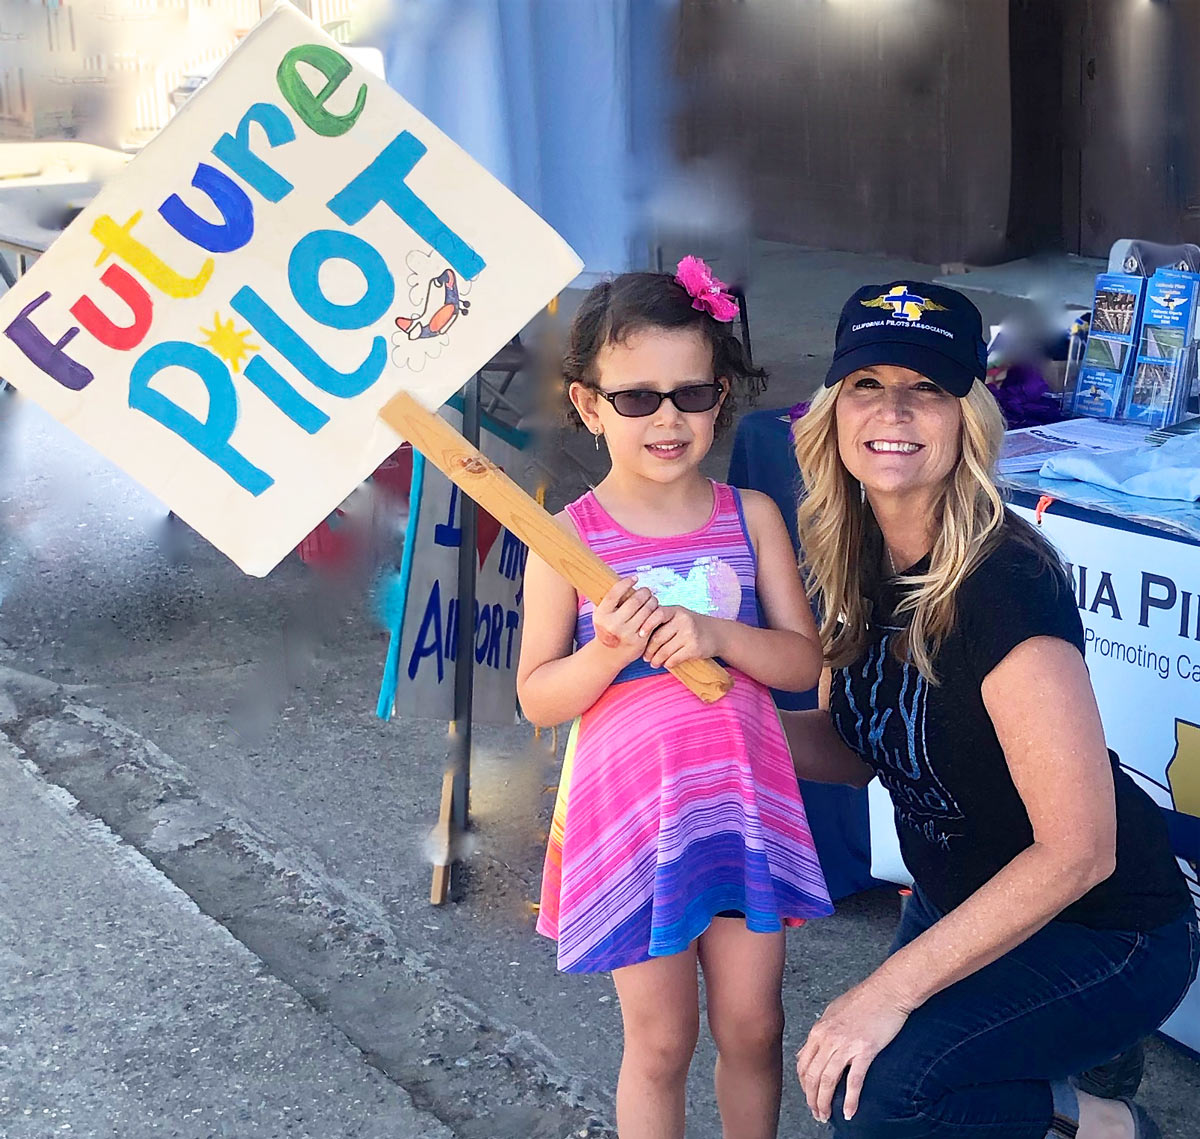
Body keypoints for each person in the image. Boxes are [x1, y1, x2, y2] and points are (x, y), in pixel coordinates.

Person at [783, 280, 1198, 1139]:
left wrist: (886, 989)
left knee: (887, 1096)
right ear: (833, 409)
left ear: (966, 416)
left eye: (925, 387)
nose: (892, 409)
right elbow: (859, 745)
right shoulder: (850, 553)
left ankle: (1107, 1123)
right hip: (963, 896)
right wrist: (713, 727)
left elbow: (1079, 852)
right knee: (861, 1094)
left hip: (1106, 929)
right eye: (867, 382)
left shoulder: (1004, 583)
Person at [518, 258, 833, 1139]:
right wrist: (609, 650)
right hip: (632, 823)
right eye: (636, 398)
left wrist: (717, 634)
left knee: (754, 1026)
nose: (667, 418)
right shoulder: (567, 540)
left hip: (741, 808)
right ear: (587, 404)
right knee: (660, 1042)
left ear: (721, 397)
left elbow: (800, 658)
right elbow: (540, 695)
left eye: (692, 394)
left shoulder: (752, 516)